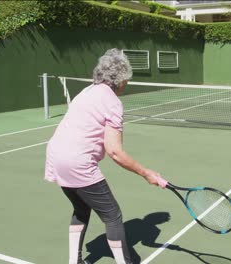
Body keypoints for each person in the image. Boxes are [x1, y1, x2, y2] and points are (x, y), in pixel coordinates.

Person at [44, 48, 168, 264]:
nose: (126, 84)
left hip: (55, 157)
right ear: (119, 79)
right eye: (126, 80)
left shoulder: (87, 91)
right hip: (77, 163)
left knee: (81, 208)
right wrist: (146, 173)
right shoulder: (112, 102)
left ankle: (75, 262)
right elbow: (115, 152)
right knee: (113, 215)